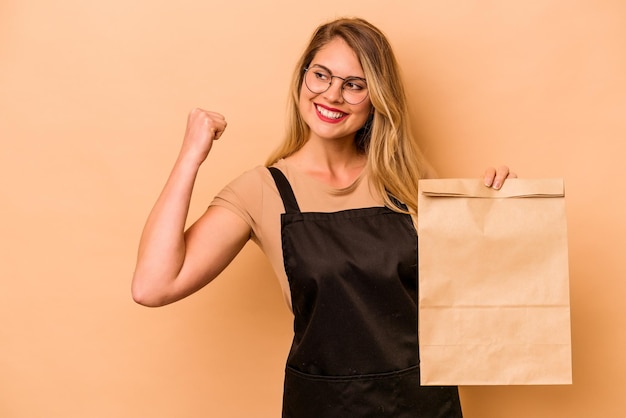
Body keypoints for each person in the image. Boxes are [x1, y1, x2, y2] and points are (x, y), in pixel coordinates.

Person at [132, 17, 515, 418]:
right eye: (321, 76)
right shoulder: (262, 190)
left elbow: (475, 293)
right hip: (322, 407)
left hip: (421, 405)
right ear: (302, 79)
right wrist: (191, 155)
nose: (332, 95)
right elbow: (153, 286)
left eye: (354, 84)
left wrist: (508, 213)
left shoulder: (406, 182)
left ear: (376, 98)